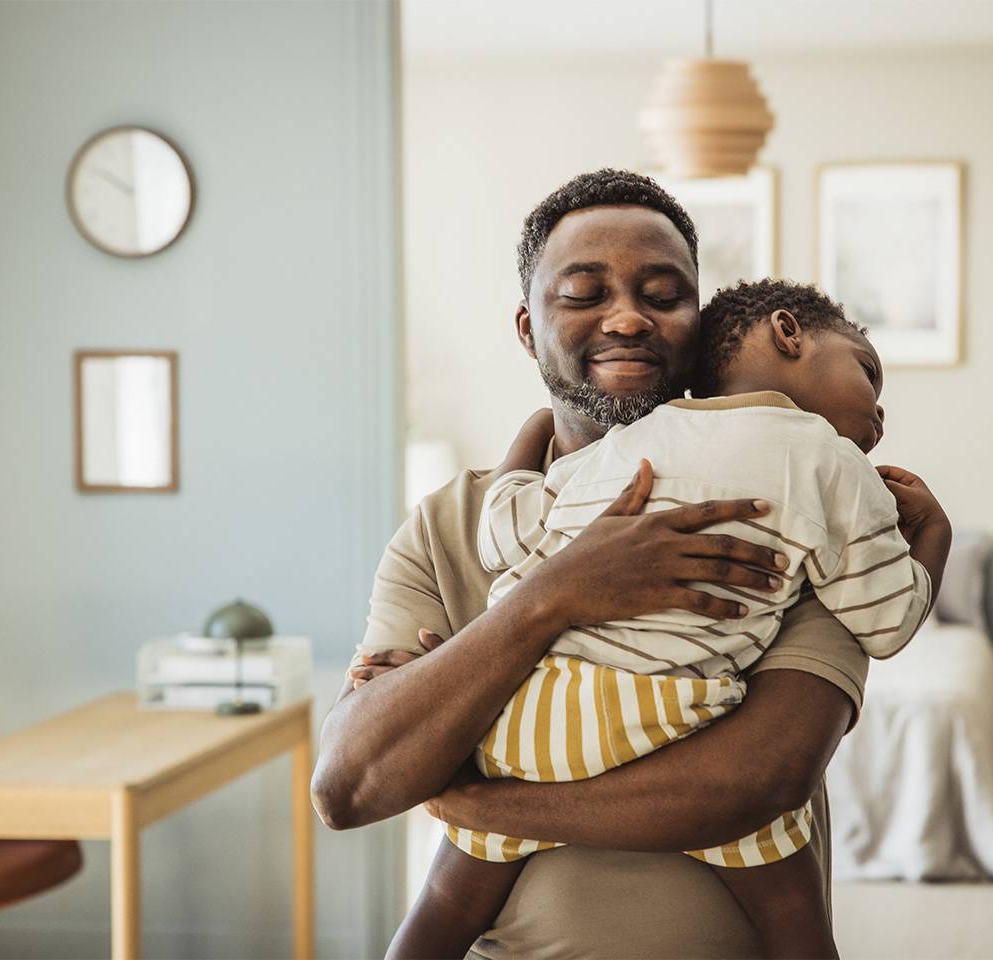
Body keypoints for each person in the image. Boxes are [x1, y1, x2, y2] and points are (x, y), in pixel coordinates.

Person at [311, 169, 931, 958]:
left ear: (697, 326)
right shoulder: (446, 527)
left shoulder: (782, 505)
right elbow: (351, 783)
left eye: (664, 294)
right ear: (529, 328)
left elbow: (756, 779)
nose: (630, 318)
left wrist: (472, 793)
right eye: (583, 292)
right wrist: (551, 598)